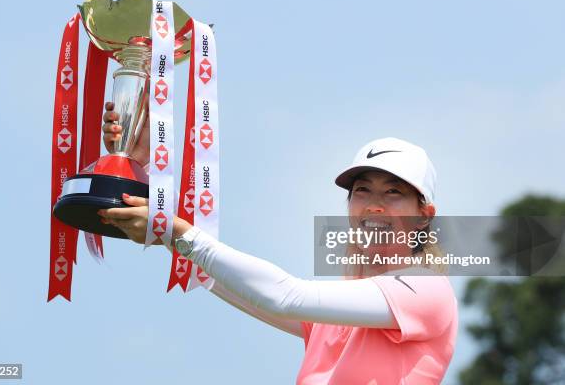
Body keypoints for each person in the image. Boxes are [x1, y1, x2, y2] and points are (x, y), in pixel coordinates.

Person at [98, 102, 458, 384]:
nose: (374, 204)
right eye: (362, 190)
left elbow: (284, 297)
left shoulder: (425, 288)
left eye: (393, 192)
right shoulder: (338, 314)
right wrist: (141, 179)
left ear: (424, 214)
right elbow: (216, 277)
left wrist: (177, 233)